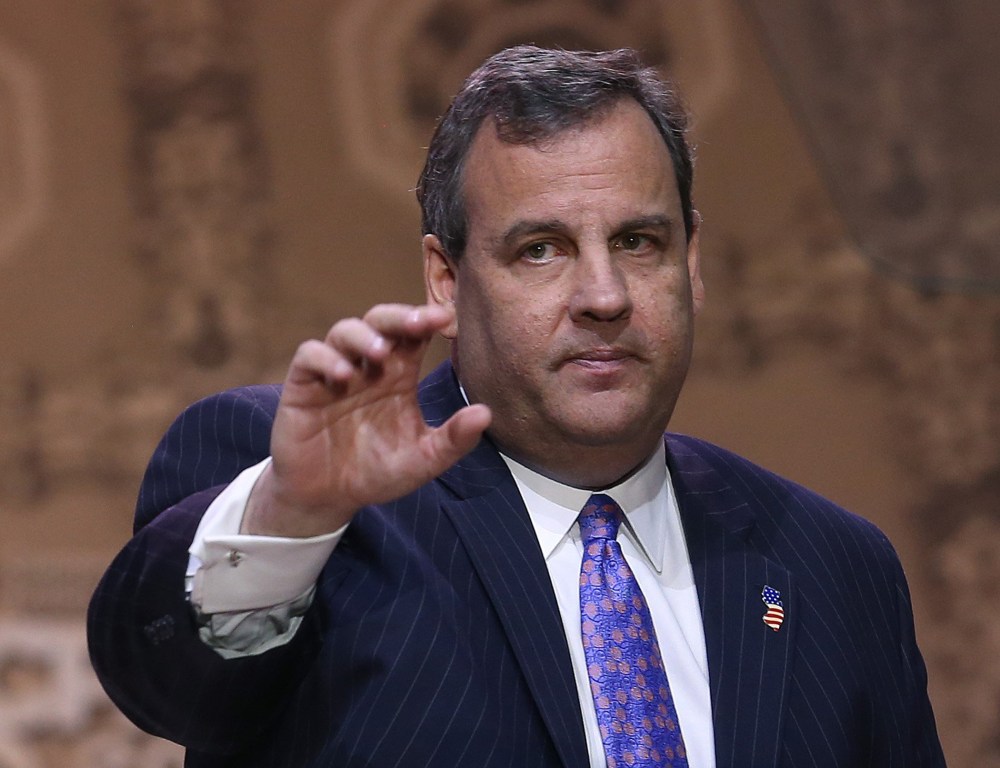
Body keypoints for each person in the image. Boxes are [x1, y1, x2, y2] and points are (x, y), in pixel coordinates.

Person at [88, 46, 945, 767]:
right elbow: (159, 682)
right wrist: (295, 509)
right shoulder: (313, 492)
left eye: (639, 243)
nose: (604, 296)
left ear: (691, 263)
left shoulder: (834, 565)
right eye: (542, 250)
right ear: (447, 279)